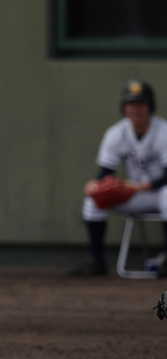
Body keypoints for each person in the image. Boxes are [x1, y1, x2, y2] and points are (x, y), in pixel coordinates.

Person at [67, 79, 167, 277]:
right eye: (131, 104)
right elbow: (107, 171)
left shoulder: (163, 131)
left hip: (159, 193)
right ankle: (96, 262)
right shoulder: (116, 133)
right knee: (94, 200)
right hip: (135, 195)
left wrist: (142, 186)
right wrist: (95, 183)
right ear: (124, 108)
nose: (136, 109)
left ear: (150, 106)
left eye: (141, 104)